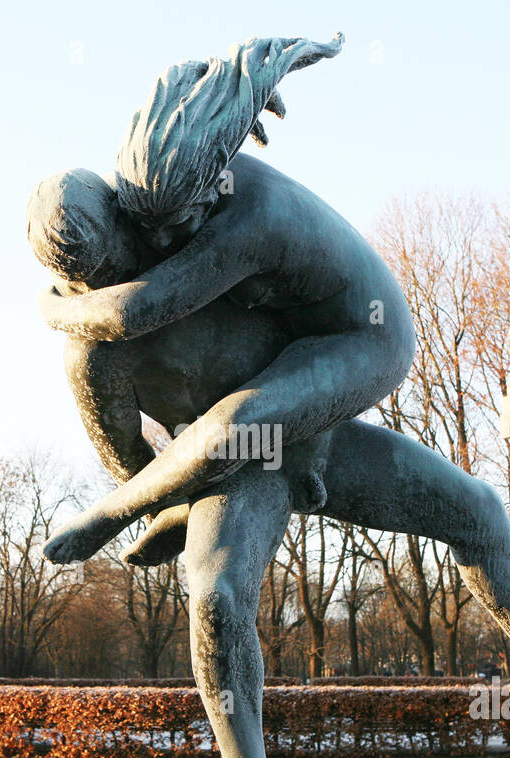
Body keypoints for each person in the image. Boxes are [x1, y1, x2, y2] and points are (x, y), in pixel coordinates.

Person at [27, 169, 510, 758]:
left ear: (124, 217)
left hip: (315, 430)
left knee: (476, 509)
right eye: (94, 273)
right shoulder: (93, 362)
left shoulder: (189, 247)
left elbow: (292, 283)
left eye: (119, 250)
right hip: (236, 473)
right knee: (216, 598)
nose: (119, 272)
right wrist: (174, 507)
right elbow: (129, 463)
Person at [36, 34, 418, 566]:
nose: (165, 244)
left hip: (364, 338)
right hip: (288, 327)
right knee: (245, 419)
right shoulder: (166, 191)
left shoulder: (251, 219)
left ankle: (113, 513)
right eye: (148, 227)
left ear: (217, 183)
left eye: (180, 225)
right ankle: (199, 487)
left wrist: (51, 306)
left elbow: (134, 312)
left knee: (240, 424)